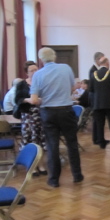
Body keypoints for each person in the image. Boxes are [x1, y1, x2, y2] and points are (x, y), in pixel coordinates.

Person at [28, 47, 83, 188]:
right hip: (66, 110)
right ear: (55, 57)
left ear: (41, 60)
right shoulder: (66, 68)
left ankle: (54, 180)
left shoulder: (38, 75)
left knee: (52, 146)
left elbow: (34, 100)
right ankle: (77, 175)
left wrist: (45, 97)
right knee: (72, 144)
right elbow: (73, 88)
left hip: (48, 113)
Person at [15, 61, 47, 176]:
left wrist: (41, 100)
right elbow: (17, 99)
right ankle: (32, 166)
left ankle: (41, 165)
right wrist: (28, 100)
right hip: (28, 116)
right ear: (27, 73)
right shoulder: (22, 84)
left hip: (40, 115)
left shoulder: (42, 82)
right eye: (31, 70)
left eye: (36, 69)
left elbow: (47, 96)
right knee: (30, 140)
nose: (34, 72)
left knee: (40, 140)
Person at [89, 56, 110, 149]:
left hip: (97, 103)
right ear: (107, 63)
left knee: (100, 124)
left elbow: (91, 90)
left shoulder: (93, 74)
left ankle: (101, 142)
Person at [89, 52, 104, 145]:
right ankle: (96, 139)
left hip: (96, 98)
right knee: (97, 119)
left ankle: (98, 138)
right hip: (95, 98)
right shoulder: (93, 70)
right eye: (101, 59)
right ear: (97, 60)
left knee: (98, 120)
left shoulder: (95, 69)